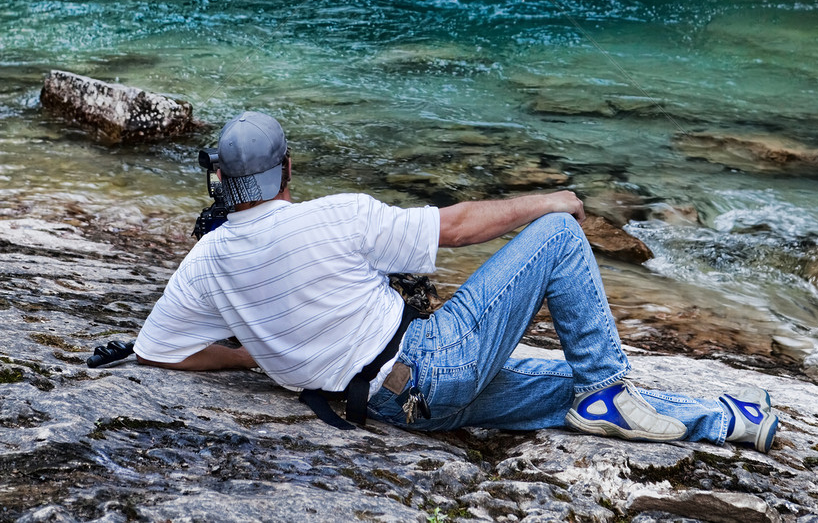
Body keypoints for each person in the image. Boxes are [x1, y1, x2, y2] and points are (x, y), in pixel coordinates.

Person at [135, 111, 778, 451]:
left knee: (564, 388)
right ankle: (606, 391)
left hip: (394, 406)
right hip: (433, 362)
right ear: (288, 170)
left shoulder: (209, 259)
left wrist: (257, 355)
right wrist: (552, 199)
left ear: (222, 178)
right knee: (556, 238)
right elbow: (459, 227)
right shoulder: (336, 217)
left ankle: (727, 422)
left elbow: (156, 350)